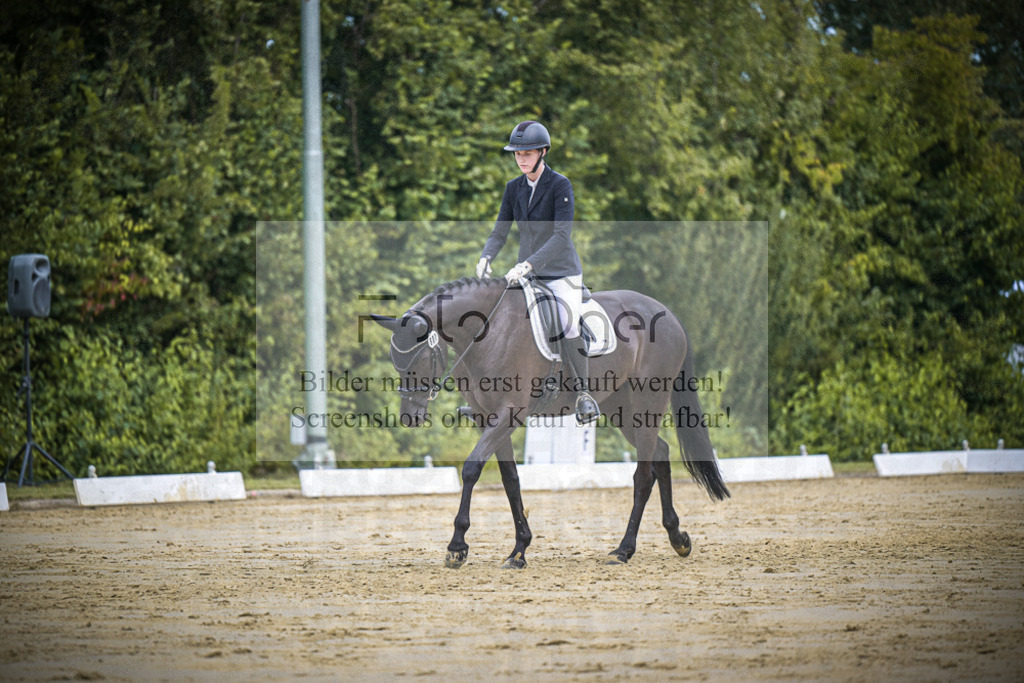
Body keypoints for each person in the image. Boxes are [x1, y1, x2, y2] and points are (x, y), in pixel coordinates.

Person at [475, 120, 599, 424]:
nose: (521, 159)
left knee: (568, 323)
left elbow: (560, 237)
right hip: (524, 274)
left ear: (542, 152)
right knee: (500, 320)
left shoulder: (560, 185)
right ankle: (490, 397)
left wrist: (528, 265)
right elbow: (499, 232)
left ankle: (583, 394)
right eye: (517, 154)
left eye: (527, 153)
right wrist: (486, 256)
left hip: (561, 273)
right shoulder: (513, 188)